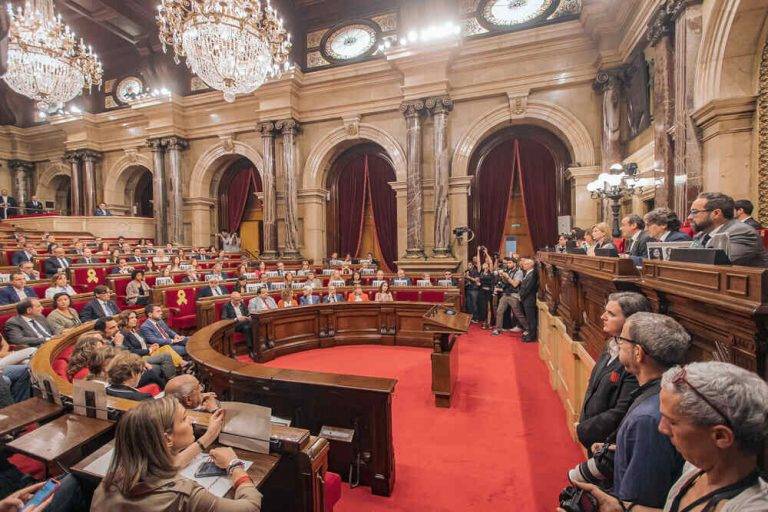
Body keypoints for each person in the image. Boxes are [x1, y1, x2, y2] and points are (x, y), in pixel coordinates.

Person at [564, 361, 768, 512]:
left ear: (721, 436)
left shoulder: (752, 507)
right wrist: (620, 508)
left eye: (672, 422)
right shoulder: (696, 470)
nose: (661, 428)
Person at [570, 312, 690, 508]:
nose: (618, 344)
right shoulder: (660, 392)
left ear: (638, 352)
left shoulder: (647, 418)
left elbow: (639, 500)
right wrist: (623, 451)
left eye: (621, 340)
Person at [92, 397, 261, 511]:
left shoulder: (106, 485)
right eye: (184, 418)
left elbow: (165, 466)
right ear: (167, 439)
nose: (191, 420)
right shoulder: (183, 495)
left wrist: (208, 437)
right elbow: (251, 507)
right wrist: (234, 465)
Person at [576, 292, 648, 452]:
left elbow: (622, 411)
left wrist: (583, 429)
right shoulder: (611, 344)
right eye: (605, 311)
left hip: (610, 445)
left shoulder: (634, 360)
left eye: (611, 314)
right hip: (593, 435)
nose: (602, 316)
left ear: (630, 321)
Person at [689, 192, 768, 266]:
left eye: (694, 212)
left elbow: (719, 263)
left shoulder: (742, 232)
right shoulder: (701, 235)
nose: (689, 217)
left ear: (716, 213)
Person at [119, 310, 185, 368]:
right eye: (131, 318)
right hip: (140, 357)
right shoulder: (123, 334)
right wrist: (149, 350)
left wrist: (151, 346)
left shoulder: (135, 330)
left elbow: (143, 344)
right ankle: (183, 365)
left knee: (166, 347)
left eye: (135, 317)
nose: (135, 319)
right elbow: (131, 351)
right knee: (166, 354)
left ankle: (183, 364)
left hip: (147, 352)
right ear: (125, 320)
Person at [492, 259, 524, 336]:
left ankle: (528, 329)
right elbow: (506, 283)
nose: (508, 264)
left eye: (510, 263)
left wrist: (507, 277)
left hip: (514, 295)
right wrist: (503, 277)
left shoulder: (519, 272)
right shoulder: (508, 271)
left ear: (515, 264)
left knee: (518, 314)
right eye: (507, 263)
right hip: (505, 294)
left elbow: (515, 284)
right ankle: (498, 329)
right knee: (499, 311)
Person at [221, 291, 253, 358]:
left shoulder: (242, 303)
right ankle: (252, 349)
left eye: (239, 299)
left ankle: (252, 349)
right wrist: (236, 319)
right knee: (249, 326)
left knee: (248, 327)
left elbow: (247, 313)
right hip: (233, 325)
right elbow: (224, 318)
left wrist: (249, 316)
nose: (238, 301)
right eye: (236, 300)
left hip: (244, 324)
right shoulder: (226, 306)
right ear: (231, 299)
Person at [518, 258, 539, 342]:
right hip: (526, 298)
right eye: (524, 264)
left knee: (531, 319)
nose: (524, 265)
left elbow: (528, 288)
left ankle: (532, 336)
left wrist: (521, 296)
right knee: (528, 318)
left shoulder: (532, 274)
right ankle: (529, 333)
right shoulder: (528, 273)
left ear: (531, 265)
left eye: (526, 264)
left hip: (529, 299)